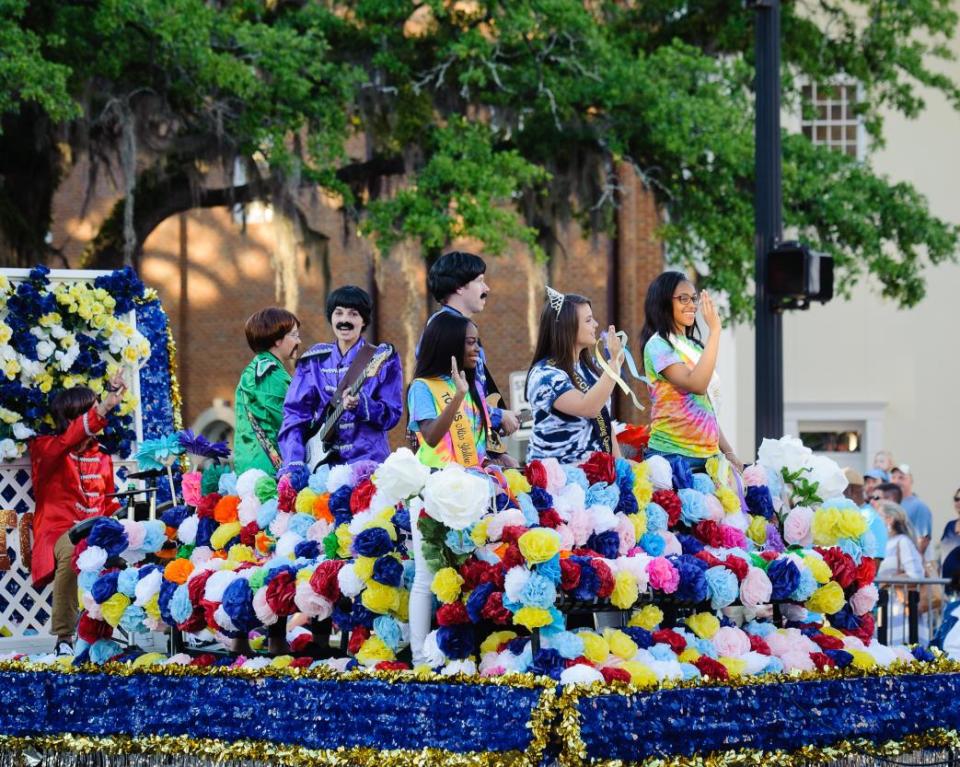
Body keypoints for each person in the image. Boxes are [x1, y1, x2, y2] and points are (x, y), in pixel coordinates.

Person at [29, 373, 126, 654]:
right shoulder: (46, 449)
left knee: (128, 548)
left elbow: (108, 504)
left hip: (95, 533)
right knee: (75, 550)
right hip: (58, 534)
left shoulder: (103, 457)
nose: (96, 419)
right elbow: (68, 440)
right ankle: (64, 638)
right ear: (74, 418)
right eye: (90, 412)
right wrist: (106, 407)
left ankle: (112, 634)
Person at [278, 286, 402, 467]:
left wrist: (362, 405)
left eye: (353, 314)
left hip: (369, 464)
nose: (345, 320)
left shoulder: (383, 358)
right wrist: (294, 461)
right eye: (339, 313)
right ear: (331, 317)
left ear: (364, 320)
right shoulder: (313, 361)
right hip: (321, 468)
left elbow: (392, 415)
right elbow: (295, 415)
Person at [639, 271, 741, 472]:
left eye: (693, 299)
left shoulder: (695, 346)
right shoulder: (658, 345)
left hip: (709, 457)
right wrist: (715, 331)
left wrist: (728, 452)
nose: (692, 305)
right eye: (683, 299)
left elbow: (706, 408)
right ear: (663, 302)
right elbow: (697, 385)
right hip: (674, 457)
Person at [423, 251, 520, 437]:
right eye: (480, 280)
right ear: (459, 287)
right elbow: (447, 396)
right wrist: (498, 415)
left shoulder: (461, 327)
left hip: (474, 444)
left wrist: (496, 451)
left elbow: (477, 392)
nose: (487, 288)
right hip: (455, 450)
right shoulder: (445, 331)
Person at [524, 289, 623, 463]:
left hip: (597, 470)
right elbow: (589, 408)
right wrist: (613, 365)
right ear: (567, 326)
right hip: (560, 476)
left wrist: (620, 463)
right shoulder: (545, 375)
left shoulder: (588, 366)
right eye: (588, 320)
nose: (596, 324)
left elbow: (603, 418)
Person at [408, 312, 490, 468]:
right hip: (438, 481)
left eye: (477, 342)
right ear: (449, 344)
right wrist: (458, 396)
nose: (477, 349)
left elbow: (478, 441)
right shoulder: (422, 387)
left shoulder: (475, 386)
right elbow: (431, 437)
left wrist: (496, 459)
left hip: (473, 480)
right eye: (471, 342)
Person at [233, 307, 300, 474]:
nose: (298, 341)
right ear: (277, 340)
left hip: (252, 465)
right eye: (294, 335)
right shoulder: (271, 375)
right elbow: (291, 420)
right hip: (268, 470)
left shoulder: (256, 369)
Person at [876, 500, 926, 644]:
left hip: (902, 608)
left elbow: (916, 575)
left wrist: (887, 580)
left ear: (889, 519)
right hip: (887, 607)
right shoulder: (884, 544)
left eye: (879, 517)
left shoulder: (902, 541)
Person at [844, 467, 887, 563]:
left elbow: (874, 564)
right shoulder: (843, 514)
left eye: (839, 490)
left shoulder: (872, 518)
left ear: (850, 490)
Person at [891, 464, 933, 556]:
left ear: (911, 480)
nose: (896, 481)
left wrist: (909, 562)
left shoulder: (919, 506)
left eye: (901, 477)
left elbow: (923, 540)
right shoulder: (891, 505)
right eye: (893, 477)